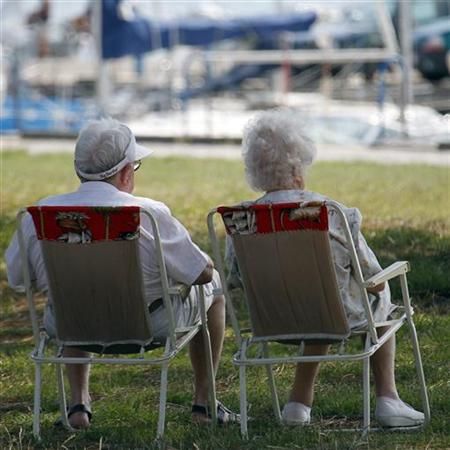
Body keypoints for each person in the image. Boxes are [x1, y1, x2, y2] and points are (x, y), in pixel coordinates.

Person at [5, 118, 238, 429]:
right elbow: (202, 275)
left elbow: (18, 279)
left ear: (79, 170)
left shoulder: (40, 216)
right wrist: (204, 261)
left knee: (73, 292)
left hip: (70, 324)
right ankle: (204, 403)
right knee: (216, 290)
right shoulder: (148, 215)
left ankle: (78, 405)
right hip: (147, 325)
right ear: (127, 171)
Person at [227, 108, 425, 428]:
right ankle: (388, 398)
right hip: (336, 317)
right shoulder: (331, 213)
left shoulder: (242, 218)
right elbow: (371, 277)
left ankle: (297, 405)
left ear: (255, 170)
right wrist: (380, 286)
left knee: (315, 299)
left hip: (272, 319)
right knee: (379, 296)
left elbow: (236, 277)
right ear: (298, 167)